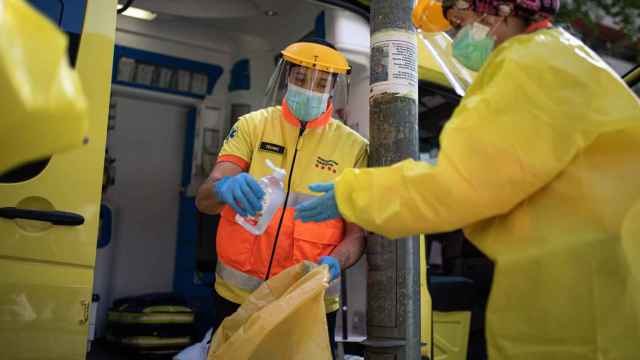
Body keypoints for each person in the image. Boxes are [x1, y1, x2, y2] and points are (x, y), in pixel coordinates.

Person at [295, 1, 640, 358]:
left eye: (460, 24)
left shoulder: (526, 67)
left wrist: (352, 194)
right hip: (606, 280)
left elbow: (456, 187)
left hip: (582, 294)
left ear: (500, 10)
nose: (457, 37)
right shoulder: (566, 59)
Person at [195, 38, 368, 358]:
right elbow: (205, 200)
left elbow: (356, 235)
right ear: (287, 76)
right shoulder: (252, 126)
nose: (309, 88)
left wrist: (337, 262)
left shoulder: (354, 148)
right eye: (301, 77)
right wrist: (222, 189)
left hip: (307, 301)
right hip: (237, 296)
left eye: (321, 81)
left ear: (333, 86)